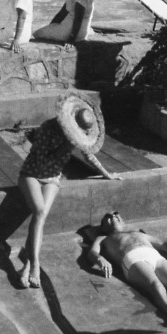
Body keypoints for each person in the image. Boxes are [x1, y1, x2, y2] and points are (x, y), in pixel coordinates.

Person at [17, 92, 121, 289]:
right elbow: (40, 160)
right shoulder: (47, 128)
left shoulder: (77, 135)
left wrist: (107, 174)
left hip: (52, 178)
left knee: (41, 216)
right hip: (31, 173)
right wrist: (66, 144)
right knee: (39, 212)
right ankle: (36, 265)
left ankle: (29, 263)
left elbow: (89, 156)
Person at [87, 211, 167, 326]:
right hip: (132, 259)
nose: (113, 217)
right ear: (103, 227)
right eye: (108, 217)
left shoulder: (138, 233)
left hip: (154, 256)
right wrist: (100, 259)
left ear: (122, 220)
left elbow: (162, 243)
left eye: (115, 214)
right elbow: (92, 252)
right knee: (156, 285)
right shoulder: (104, 238)